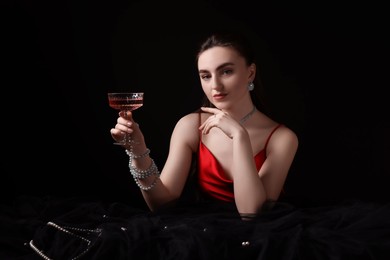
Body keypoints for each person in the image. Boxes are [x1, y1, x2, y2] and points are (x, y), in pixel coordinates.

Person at [110, 30, 299, 217]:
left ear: (250, 73)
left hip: (260, 237)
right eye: (206, 76)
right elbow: (161, 204)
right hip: (203, 232)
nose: (215, 85)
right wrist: (137, 151)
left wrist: (239, 136)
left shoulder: (282, 138)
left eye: (226, 71)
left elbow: (252, 214)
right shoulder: (191, 126)